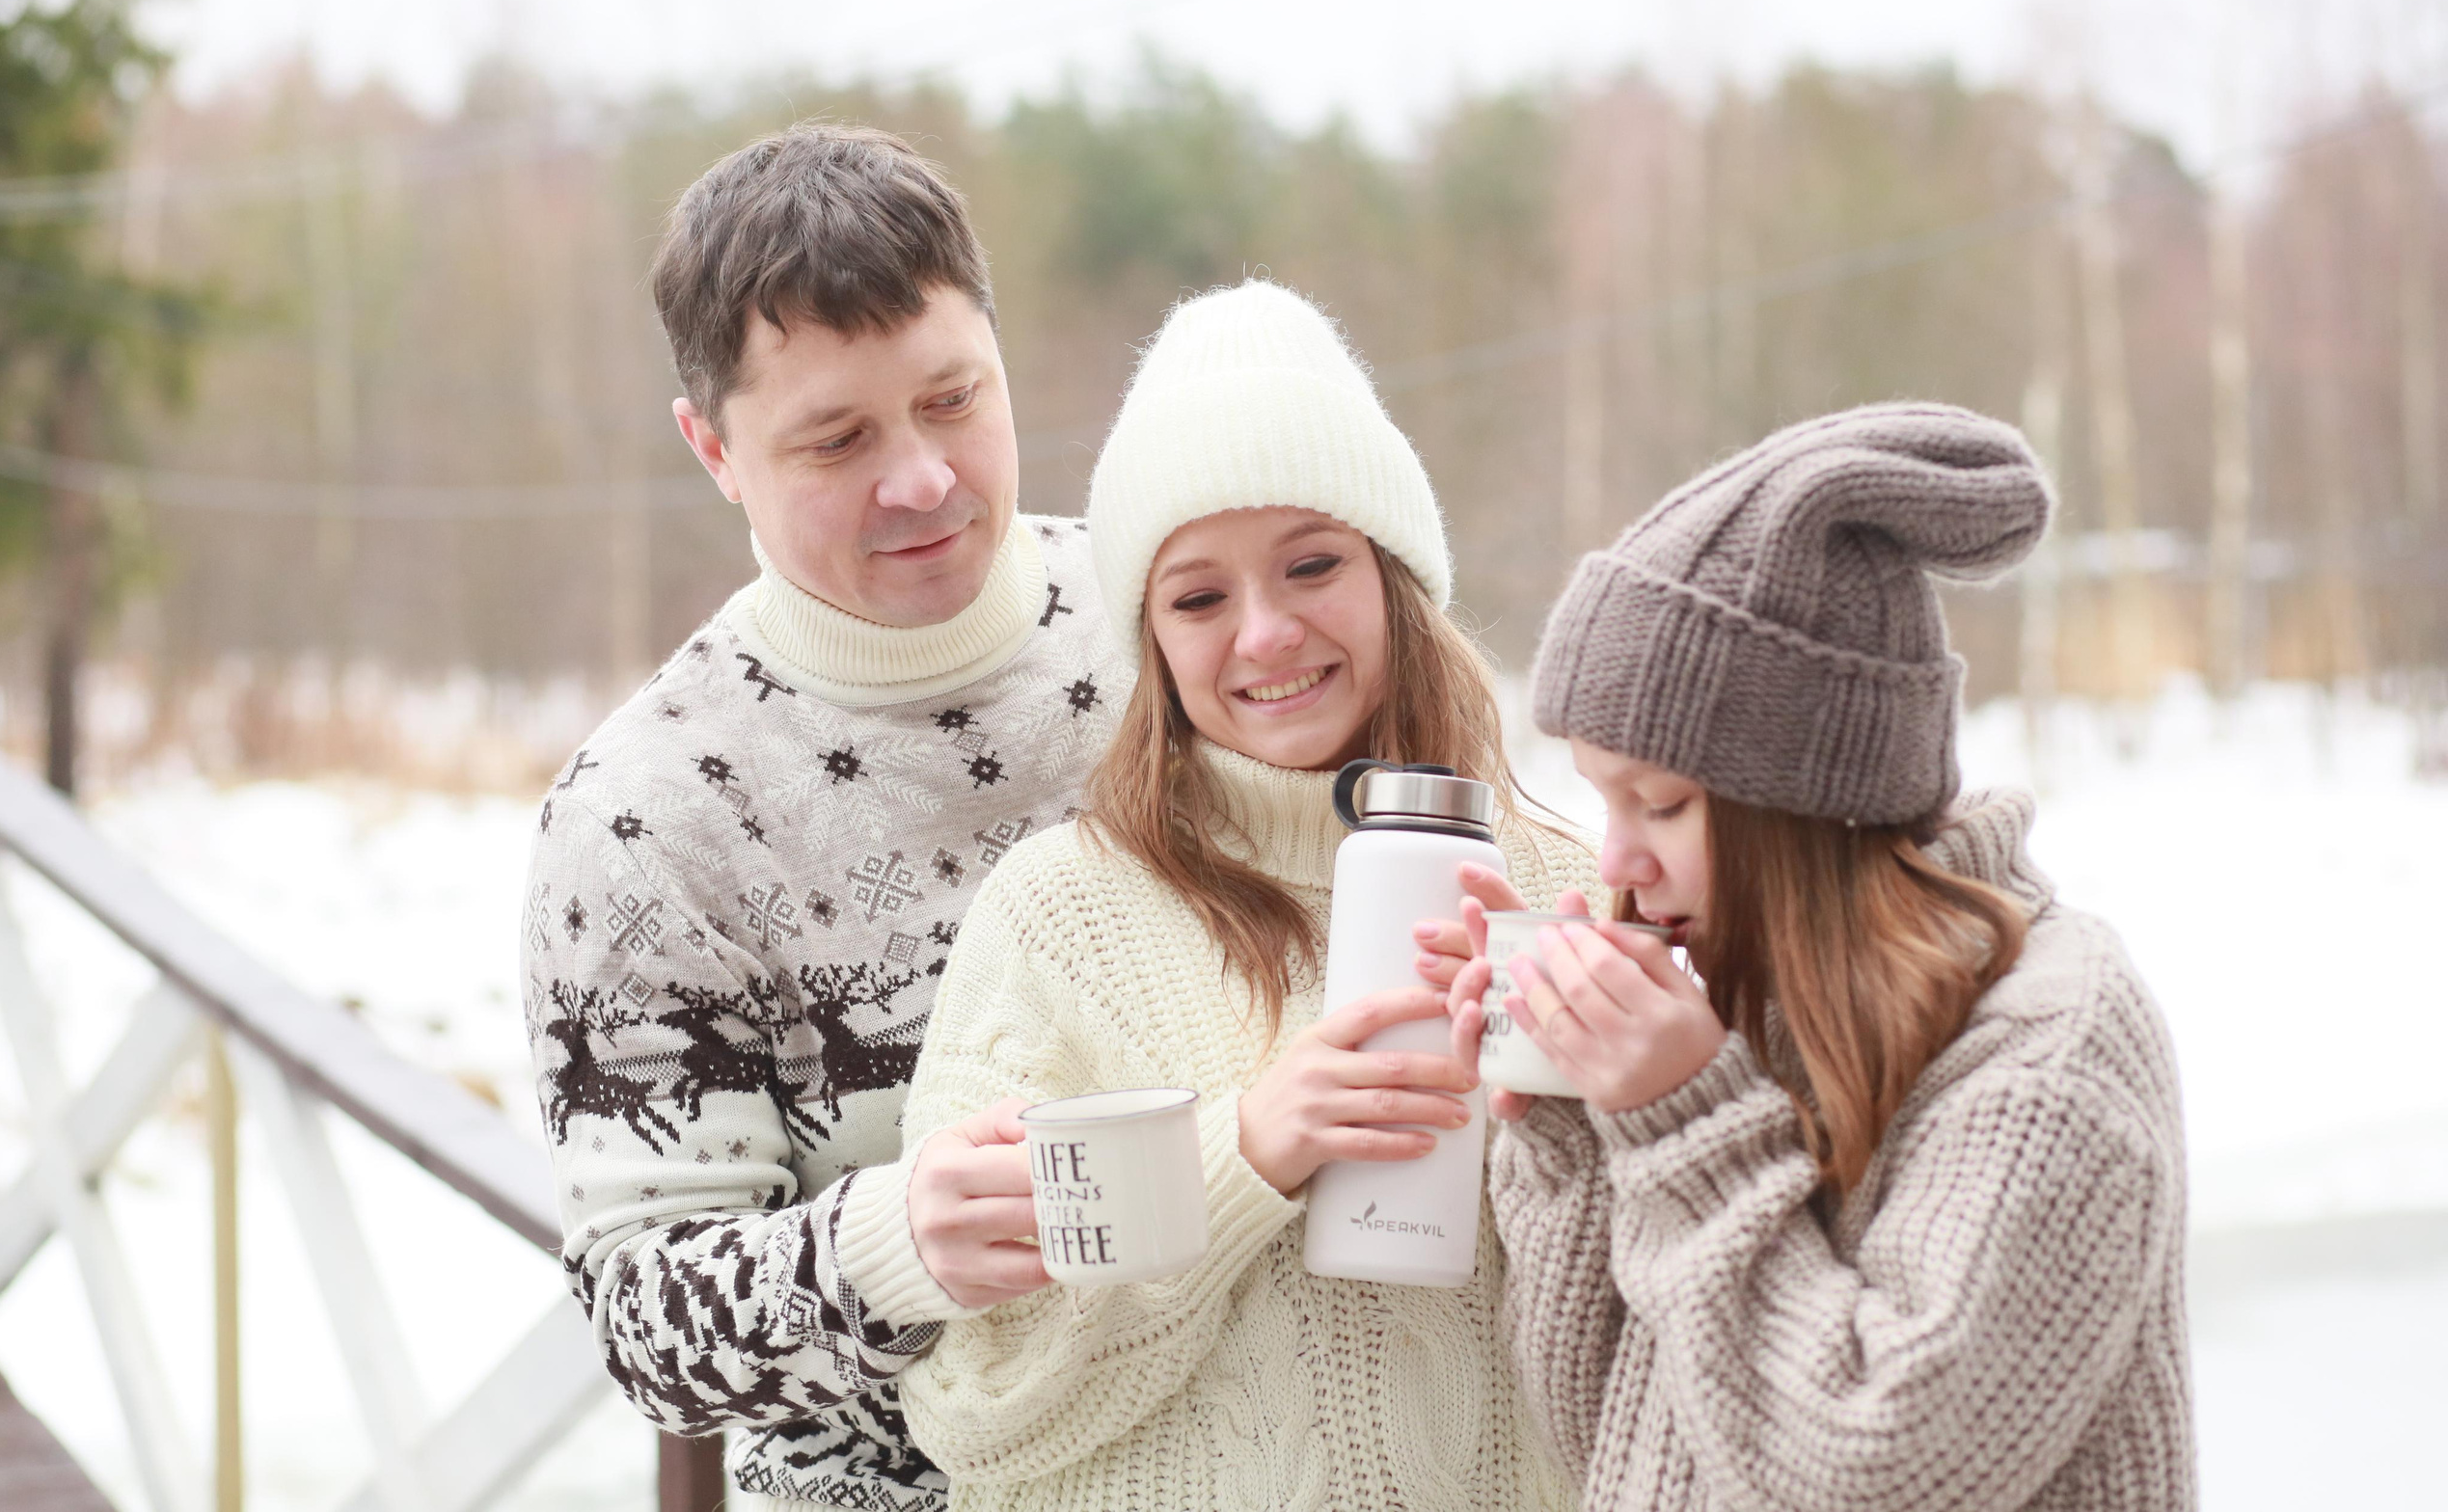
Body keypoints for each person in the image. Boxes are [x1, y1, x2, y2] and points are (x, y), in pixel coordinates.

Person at [891, 280, 1592, 1511]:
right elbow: (974, 1415)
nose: (1265, 635)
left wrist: (1620, 1120)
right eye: (1200, 596)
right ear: (1150, 639)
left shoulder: (1561, 889)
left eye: (1311, 564)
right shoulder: (1057, 921)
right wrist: (1246, 1156)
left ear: (1392, 577)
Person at [1417, 405, 2195, 1511]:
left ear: (1812, 801)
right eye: (1603, 799)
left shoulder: (2047, 1053)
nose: (1618, 859)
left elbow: (1870, 1467)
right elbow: (1612, 1439)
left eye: (1664, 804)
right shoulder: (1750, 1006)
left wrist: (1683, 1120)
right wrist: (1575, 1113)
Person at [520, 124, 1131, 1511]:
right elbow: (645, 1321)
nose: (917, 477)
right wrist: (891, 1243)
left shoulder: (1178, 623)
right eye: (836, 438)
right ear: (713, 449)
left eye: (953, 399)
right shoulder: (642, 817)